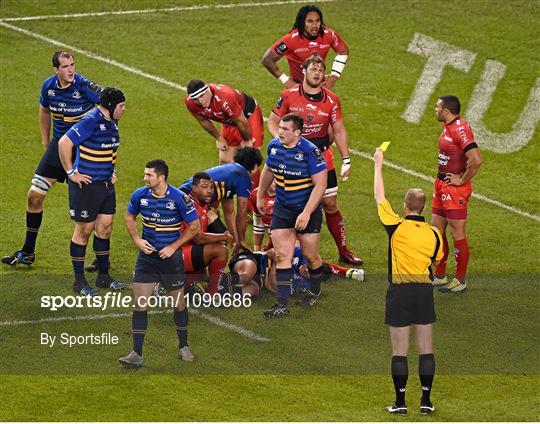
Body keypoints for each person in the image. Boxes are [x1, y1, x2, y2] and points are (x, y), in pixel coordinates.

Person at [2, 51, 102, 267]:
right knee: (34, 196)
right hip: (58, 149)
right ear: (56, 70)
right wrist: (46, 142)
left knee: (91, 208)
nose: (71, 70)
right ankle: (28, 251)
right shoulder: (49, 87)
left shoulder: (84, 86)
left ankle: (101, 258)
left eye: (73, 65)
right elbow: (44, 110)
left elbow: (109, 108)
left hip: (84, 152)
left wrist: (104, 144)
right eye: (65, 67)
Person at [268, 54, 362, 265]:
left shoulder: (332, 100)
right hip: (294, 159)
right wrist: (283, 142)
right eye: (313, 69)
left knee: (329, 203)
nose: (317, 73)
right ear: (304, 72)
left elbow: (338, 129)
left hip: (321, 157)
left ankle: (344, 250)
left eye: (320, 70)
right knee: (288, 201)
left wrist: (346, 159)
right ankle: (272, 246)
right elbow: (273, 121)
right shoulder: (289, 95)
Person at [373, 147, 443, 416]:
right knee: (426, 349)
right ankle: (426, 401)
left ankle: (400, 403)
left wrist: (378, 164)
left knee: (399, 351)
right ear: (423, 207)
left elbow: (379, 197)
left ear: (405, 205)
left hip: (399, 293)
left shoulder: (395, 226)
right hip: (424, 292)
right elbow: (436, 261)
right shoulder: (435, 233)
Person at [119, 160, 200, 367]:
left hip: (170, 261)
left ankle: (184, 346)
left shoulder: (179, 198)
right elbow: (129, 216)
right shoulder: (140, 195)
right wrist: (137, 240)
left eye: (149, 175)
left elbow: (194, 226)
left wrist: (174, 246)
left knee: (179, 303)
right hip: (147, 259)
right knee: (139, 304)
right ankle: (136, 353)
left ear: (161, 177)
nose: (145, 178)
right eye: (145, 174)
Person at [58, 87, 126, 295]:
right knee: (84, 231)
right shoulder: (91, 121)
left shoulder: (112, 122)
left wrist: (111, 170)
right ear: (112, 106)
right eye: (122, 106)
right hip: (86, 186)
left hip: (105, 185)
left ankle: (103, 277)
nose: (124, 110)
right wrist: (71, 173)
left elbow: (110, 149)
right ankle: (79, 282)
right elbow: (64, 142)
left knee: (105, 228)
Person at [257, 113, 327, 317]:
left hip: (307, 209)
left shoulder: (310, 152)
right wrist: (261, 194)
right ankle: (282, 303)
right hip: (283, 208)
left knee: (311, 255)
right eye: (279, 127)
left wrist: (306, 213)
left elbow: (321, 184)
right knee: (282, 255)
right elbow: (268, 169)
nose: (280, 132)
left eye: (285, 129)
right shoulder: (274, 146)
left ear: (297, 132)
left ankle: (314, 291)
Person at [431, 95, 482, 293]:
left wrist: (462, 180)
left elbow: (476, 159)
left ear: (446, 110)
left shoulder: (460, 129)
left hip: (455, 189)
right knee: (437, 228)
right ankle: (440, 275)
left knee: (456, 232)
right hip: (441, 184)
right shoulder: (448, 126)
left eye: (437, 107)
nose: (435, 110)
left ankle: (460, 280)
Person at [180, 147, 262, 255]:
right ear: (255, 166)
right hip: (190, 204)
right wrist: (241, 240)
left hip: (187, 200)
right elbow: (242, 212)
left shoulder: (231, 172)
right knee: (216, 243)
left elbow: (229, 210)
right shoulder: (243, 176)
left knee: (224, 237)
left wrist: (235, 238)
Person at [184, 79, 264, 173]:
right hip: (229, 121)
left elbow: (241, 121)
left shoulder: (225, 98)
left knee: (250, 162)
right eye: (196, 99)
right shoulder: (191, 103)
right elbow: (203, 120)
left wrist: (246, 140)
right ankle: (229, 186)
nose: (200, 101)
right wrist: (219, 137)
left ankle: (254, 187)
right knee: (225, 161)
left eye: (201, 96)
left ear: (207, 90)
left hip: (248, 117)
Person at [261, 4, 349, 90]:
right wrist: (286, 80)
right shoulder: (291, 40)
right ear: (302, 22)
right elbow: (267, 60)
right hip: (298, 90)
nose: (314, 26)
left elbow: (343, 52)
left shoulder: (329, 35)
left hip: (320, 88)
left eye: (317, 21)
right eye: (310, 21)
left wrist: (334, 77)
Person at [181, 172, 234, 295]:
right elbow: (199, 238)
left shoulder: (201, 204)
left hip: (185, 250)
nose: (209, 191)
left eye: (211, 187)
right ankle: (212, 295)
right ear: (194, 188)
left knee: (203, 277)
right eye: (204, 187)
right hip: (177, 253)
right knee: (220, 250)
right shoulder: (190, 206)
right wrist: (225, 237)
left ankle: (171, 282)